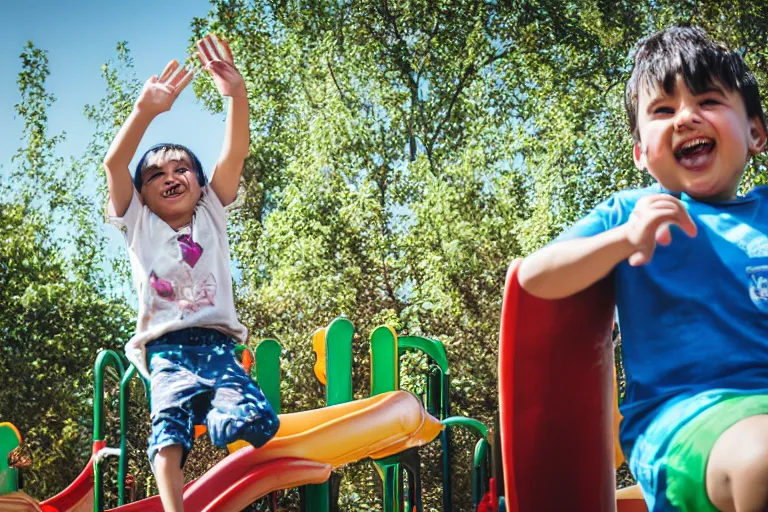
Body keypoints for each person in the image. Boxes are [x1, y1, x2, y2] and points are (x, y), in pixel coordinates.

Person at [518, 26, 768, 512]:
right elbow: (536, 277)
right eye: (662, 110)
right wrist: (624, 240)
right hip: (686, 422)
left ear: (756, 131)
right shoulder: (632, 213)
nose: (686, 118)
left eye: (709, 101)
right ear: (640, 153)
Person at [104, 34, 279, 512]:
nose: (170, 176)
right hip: (168, 351)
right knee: (168, 433)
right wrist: (145, 111)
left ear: (201, 184)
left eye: (182, 168)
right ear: (142, 194)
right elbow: (114, 163)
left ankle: (221, 415)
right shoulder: (137, 223)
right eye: (156, 174)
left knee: (262, 422)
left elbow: (235, 154)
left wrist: (236, 96)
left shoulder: (212, 213)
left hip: (220, 344)